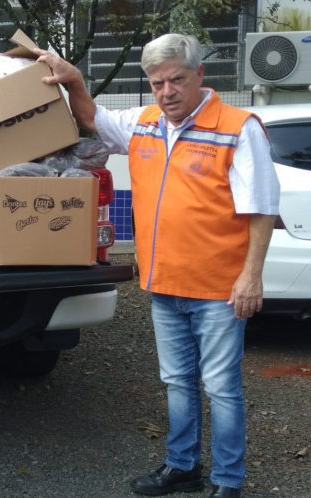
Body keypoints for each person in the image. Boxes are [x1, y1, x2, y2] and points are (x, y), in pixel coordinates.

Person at [34, 34, 279, 498]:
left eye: (177, 80)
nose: (167, 91)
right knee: (176, 382)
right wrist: (75, 81)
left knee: (222, 388)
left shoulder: (237, 127)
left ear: (200, 76)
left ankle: (228, 481)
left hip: (218, 289)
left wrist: (251, 276)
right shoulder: (145, 123)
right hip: (163, 284)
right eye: (157, 82)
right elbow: (92, 118)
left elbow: (262, 208)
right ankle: (181, 466)